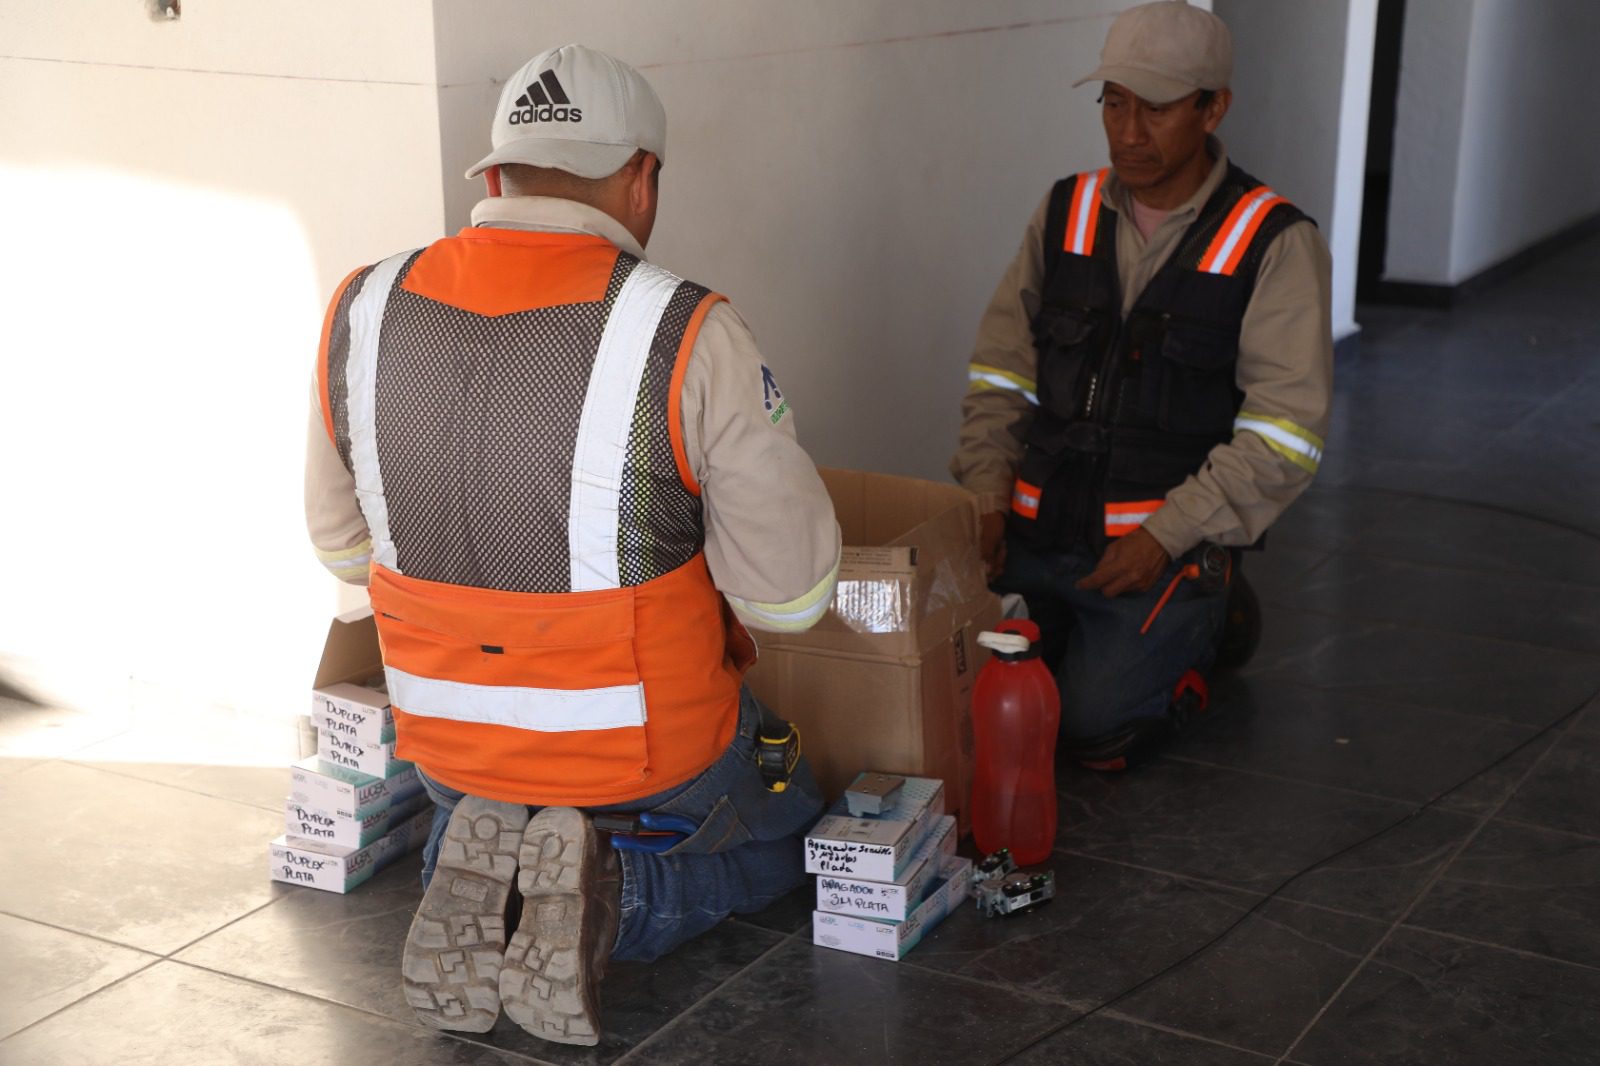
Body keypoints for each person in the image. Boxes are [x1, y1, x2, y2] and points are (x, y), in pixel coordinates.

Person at [304, 44, 841, 1046]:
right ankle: (620, 890)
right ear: (641, 178)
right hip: (644, 753)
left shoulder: (360, 310)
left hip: (451, 750)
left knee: (482, 799)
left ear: (495, 176)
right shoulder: (686, 329)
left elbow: (341, 560)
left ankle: (476, 862)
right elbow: (787, 598)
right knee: (790, 818)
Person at [950, 0, 1332, 771]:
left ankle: (1210, 615)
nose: (1128, 132)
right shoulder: (1064, 210)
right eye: (1114, 104)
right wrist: (985, 497)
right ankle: (1095, 636)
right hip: (1036, 537)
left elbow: (1284, 434)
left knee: (1092, 728)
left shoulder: (1274, 242)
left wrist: (1168, 536)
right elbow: (1000, 374)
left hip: (1160, 548)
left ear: (1212, 107)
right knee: (959, 693)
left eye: (1155, 110)